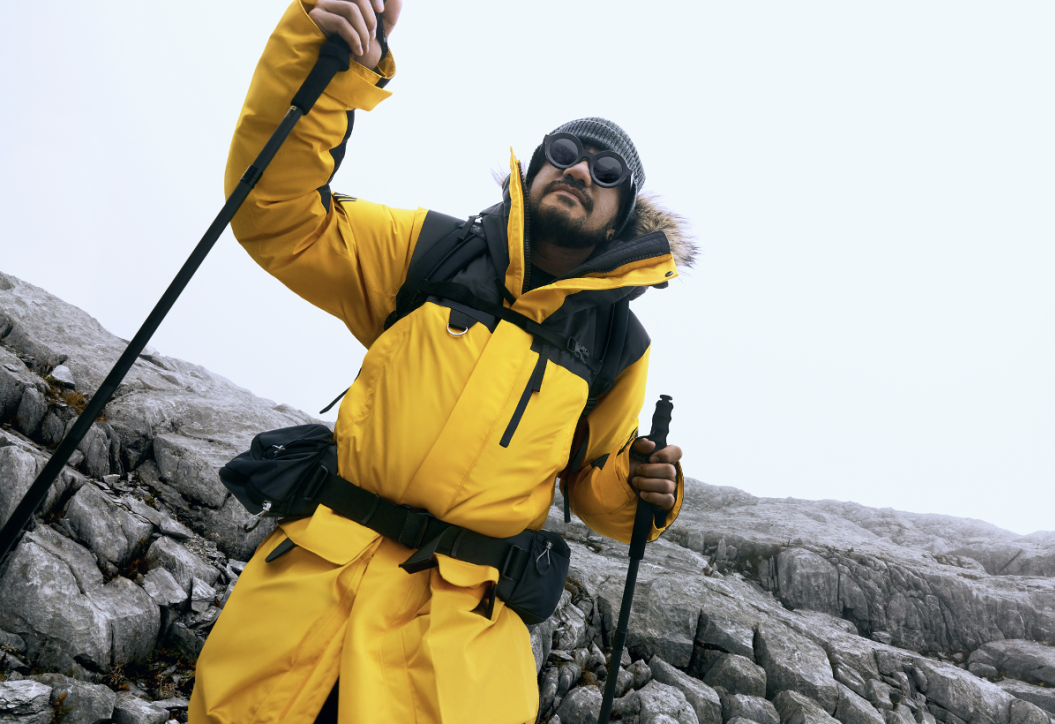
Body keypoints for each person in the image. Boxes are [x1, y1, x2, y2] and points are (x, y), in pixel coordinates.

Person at [189, 1, 696, 722]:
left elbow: (595, 488)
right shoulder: (429, 250)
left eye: (606, 169)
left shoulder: (619, 346)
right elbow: (278, 217)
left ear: (623, 213)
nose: (580, 167)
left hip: (457, 651)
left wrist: (643, 491)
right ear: (534, 170)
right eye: (562, 151)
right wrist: (322, 62)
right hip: (308, 601)